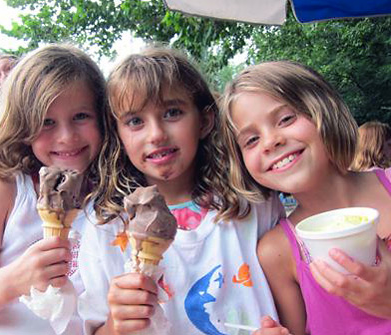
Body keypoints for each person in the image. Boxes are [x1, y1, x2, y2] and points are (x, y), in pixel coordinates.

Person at [77, 47, 290, 335]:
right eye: (135, 121)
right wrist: (117, 324)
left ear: (204, 121)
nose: (156, 134)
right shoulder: (105, 225)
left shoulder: (251, 201)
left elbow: (296, 303)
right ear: (118, 135)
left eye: (172, 112)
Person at [221, 60, 391, 335]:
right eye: (251, 140)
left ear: (324, 109)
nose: (270, 141)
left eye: (286, 119)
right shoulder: (277, 252)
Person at [0, 44, 108, 334]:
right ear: (22, 126)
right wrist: (14, 280)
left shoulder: (109, 202)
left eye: (81, 116)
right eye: (46, 122)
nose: (66, 136)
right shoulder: (5, 192)